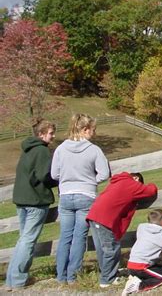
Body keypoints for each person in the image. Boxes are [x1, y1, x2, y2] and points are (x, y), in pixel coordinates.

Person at [51, 113, 110, 284]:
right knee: (79, 237)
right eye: (93, 129)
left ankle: (60, 276)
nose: (94, 133)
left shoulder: (60, 149)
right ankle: (73, 275)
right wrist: (91, 180)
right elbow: (104, 173)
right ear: (85, 129)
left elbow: (54, 174)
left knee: (65, 236)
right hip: (86, 195)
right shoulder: (93, 150)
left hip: (66, 195)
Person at [5, 120, 57, 290]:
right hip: (35, 200)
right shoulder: (41, 151)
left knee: (23, 239)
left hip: (22, 199)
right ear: (41, 134)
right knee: (28, 240)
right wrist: (57, 180)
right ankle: (19, 279)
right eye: (51, 133)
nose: (53, 136)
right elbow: (44, 176)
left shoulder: (27, 149)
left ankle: (11, 280)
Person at [86, 172, 158, 288]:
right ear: (136, 178)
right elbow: (150, 190)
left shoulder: (117, 181)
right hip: (105, 218)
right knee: (111, 249)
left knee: (102, 249)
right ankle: (106, 280)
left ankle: (107, 274)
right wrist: (152, 184)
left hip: (94, 215)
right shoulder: (132, 184)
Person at [121, 209, 162, 295]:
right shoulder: (160, 236)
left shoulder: (142, 228)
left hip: (131, 264)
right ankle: (138, 285)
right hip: (140, 267)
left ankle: (135, 277)